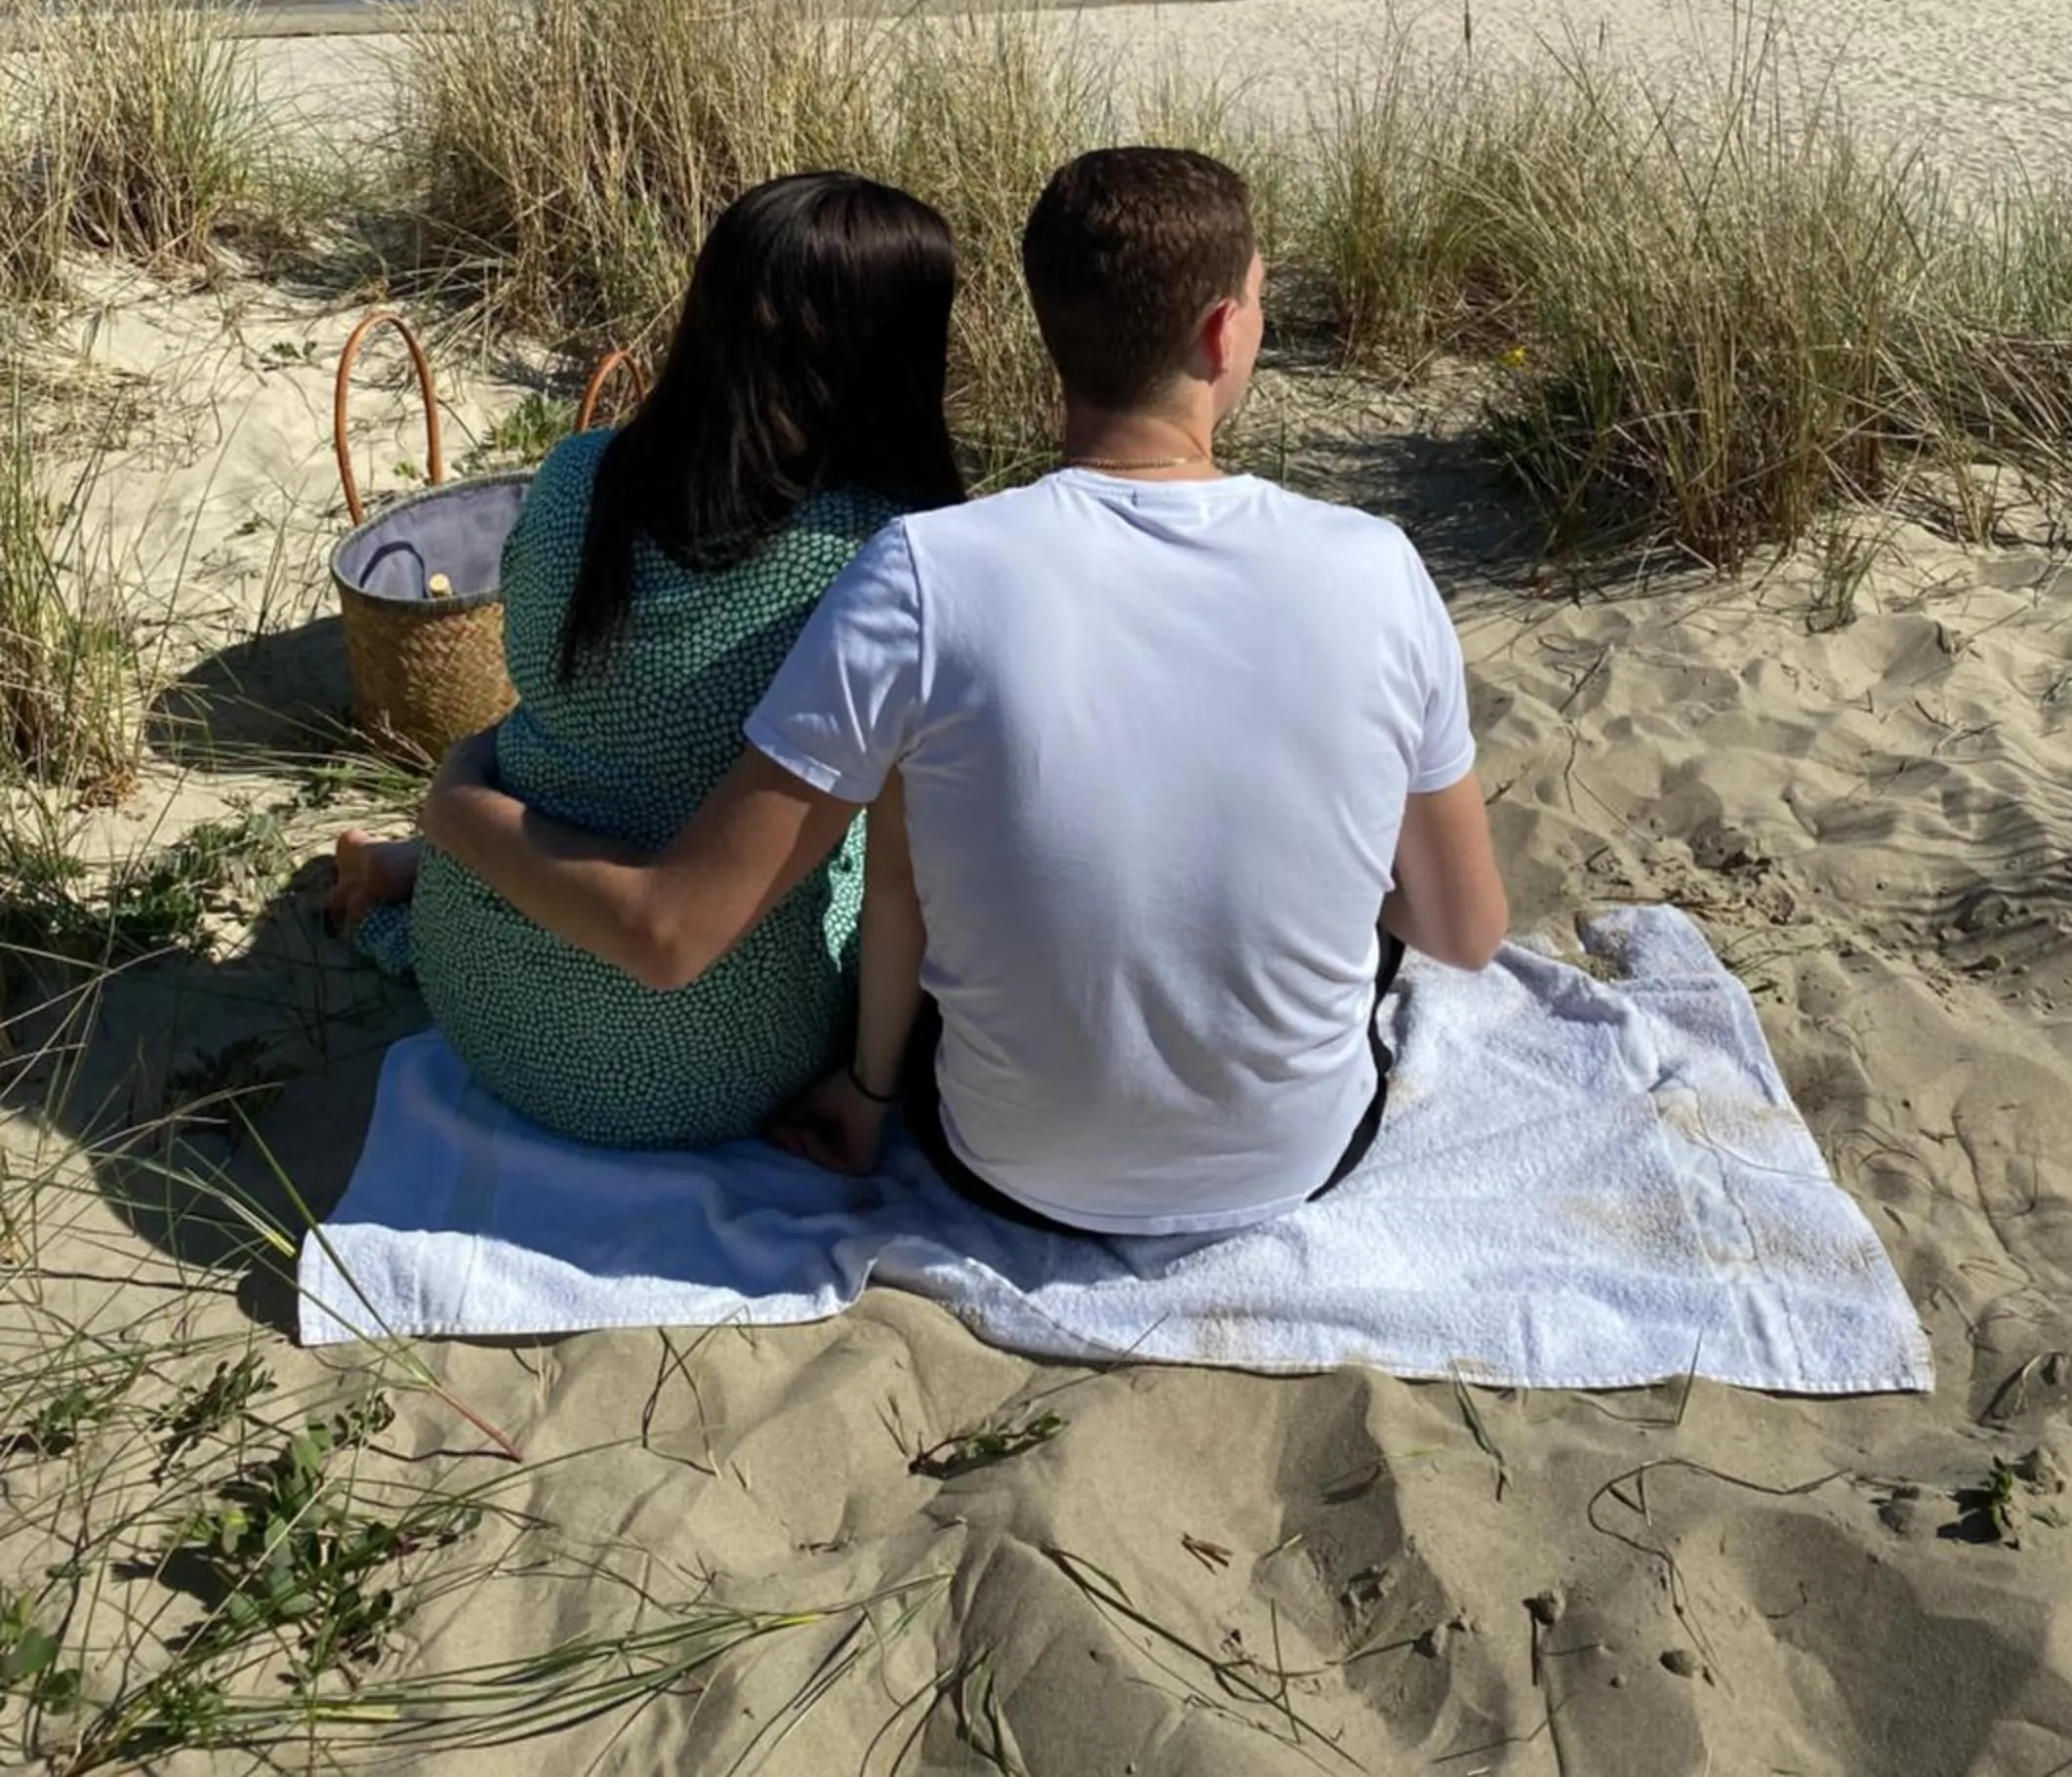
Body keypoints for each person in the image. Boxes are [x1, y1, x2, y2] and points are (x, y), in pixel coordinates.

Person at [419, 146, 1506, 1232]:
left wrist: (453, 805)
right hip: (1291, 1159)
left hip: (1005, 1163)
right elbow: (1465, 932)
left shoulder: (920, 569)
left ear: (1051, 331)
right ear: (1223, 332)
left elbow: (874, 888)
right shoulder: (1376, 565)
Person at [324, 172, 963, 1149]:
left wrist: (453, 799)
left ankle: (408, 868)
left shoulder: (580, 474)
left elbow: (570, 700)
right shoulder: (888, 560)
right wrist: (872, 1089)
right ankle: (410, 860)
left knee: (584, 753)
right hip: (703, 1067)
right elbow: (896, 881)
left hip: (481, 996)